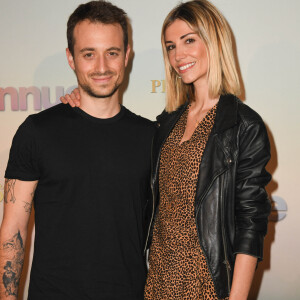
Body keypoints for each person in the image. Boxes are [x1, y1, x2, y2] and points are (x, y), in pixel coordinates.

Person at [61, 1, 271, 299]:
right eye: (171, 46)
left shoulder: (242, 125)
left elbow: (251, 223)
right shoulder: (167, 123)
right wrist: (81, 100)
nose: (178, 55)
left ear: (213, 40)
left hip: (206, 286)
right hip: (156, 282)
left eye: (189, 40)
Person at [0, 1, 154, 299]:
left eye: (112, 53)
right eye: (88, 54)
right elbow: (13, 229)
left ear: (127, 55)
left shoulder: (152, 137)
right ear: (71, 58)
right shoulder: (36, 132)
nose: (101, 67)